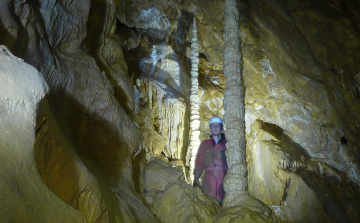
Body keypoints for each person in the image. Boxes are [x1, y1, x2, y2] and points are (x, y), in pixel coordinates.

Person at [193, 116, 228, 204]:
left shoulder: (228, 144)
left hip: (224, 178)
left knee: (224, 204)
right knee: (208, 204)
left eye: (217, 125)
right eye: (213, 126)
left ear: (222, 128)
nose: (215, 127)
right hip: (208, 179)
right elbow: (199, 161)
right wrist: (196, 177)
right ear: (210, 128)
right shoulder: (205, 144)